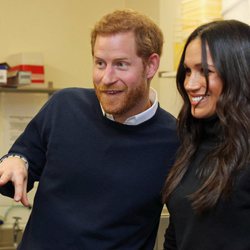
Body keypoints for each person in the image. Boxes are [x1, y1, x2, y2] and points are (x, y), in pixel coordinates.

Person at [0, 9, 179, 250]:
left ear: (150, 65)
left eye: (121, 64)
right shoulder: (63, 106)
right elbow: (19, 162)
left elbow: (184, 227)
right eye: (100, 63)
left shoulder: (176, 139)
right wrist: (14, 161)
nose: (106, 77)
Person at [162, 19, 250, 250]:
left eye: (205, 71)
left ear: (238, 73)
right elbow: (177, 233)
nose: (190, 84)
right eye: (188, 71)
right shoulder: (191, 141)